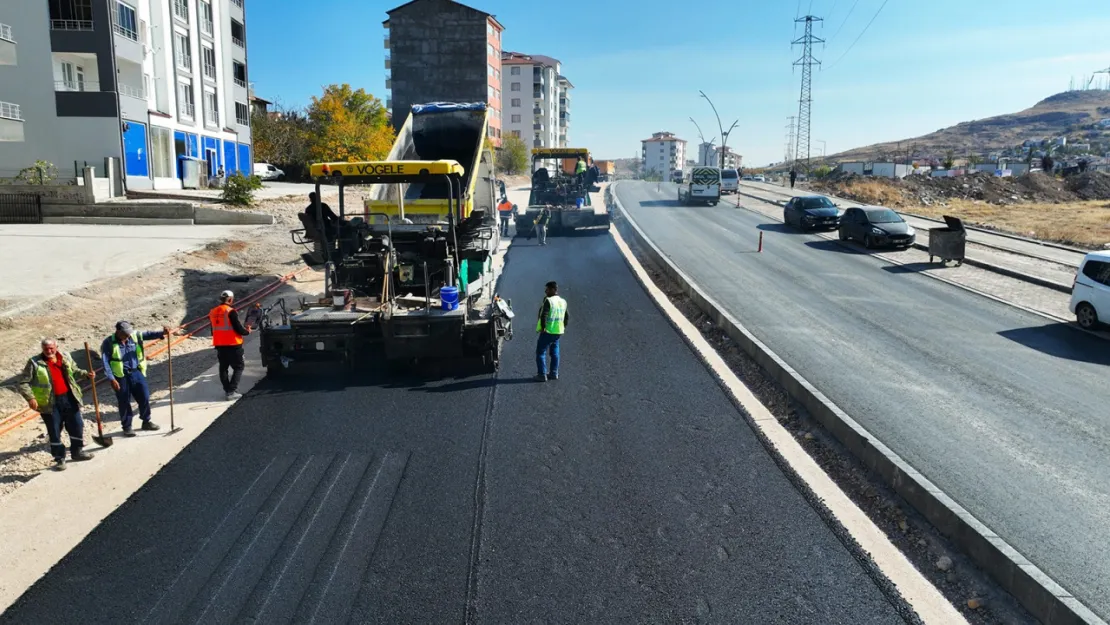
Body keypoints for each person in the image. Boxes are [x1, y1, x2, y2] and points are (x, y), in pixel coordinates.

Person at [18, 339, 96, 470]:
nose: (49, 351)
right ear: (42, 349)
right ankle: (60, 459)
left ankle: (77, 452)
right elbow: (23, 383)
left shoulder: (65, 357)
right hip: (49, 403)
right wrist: (30, 398)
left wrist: (85, 374)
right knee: (54, 431)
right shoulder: (34, 363)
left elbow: (75, 370)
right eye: (46, 349)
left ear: (56, 347)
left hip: (69, 398)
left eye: (51, 348)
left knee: (77, 425)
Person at [101, 321, 169, 437]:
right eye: (125, 334)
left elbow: (148, 335)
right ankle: (127, 427)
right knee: (124, 401)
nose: (128, 336)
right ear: (118, 332)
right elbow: (105, 362)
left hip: (136, 372)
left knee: (144, 396)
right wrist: (112, 379)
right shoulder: (108, 343)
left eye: (129, 333)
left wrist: (162, 333)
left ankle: (146, 421)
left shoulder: (134, 336)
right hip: (121, 376)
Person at [210, 290, 252, 401]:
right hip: (233, 344)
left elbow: (212, 330)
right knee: (239, 367)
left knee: (223, 368)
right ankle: (231, 391)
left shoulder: (213, 312)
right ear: (230, 299)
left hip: (219, 345)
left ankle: (228, 389)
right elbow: (238, 328)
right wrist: (247, 331)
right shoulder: (230, 311)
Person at [535, 281, 568, 382]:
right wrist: (563, 326)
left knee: (540, 352)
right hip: (558, 332)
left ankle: (542, 375)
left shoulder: (549, 301)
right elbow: (567, 316)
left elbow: (544, 315)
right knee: (555, 353)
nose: (546, 291)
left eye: (548, 289)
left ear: (554, 290)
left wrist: (544, 327)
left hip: (548, 331)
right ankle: (554, 373)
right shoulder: (563, 301)